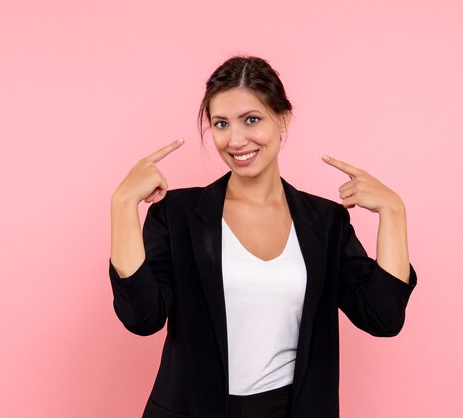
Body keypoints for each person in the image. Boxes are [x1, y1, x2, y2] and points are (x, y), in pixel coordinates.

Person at [108, 55, 417, 418]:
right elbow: (142, 317)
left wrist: (393, 212)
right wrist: (123, 204)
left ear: (282, 119)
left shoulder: (325, 222)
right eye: (221, 124)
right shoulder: (175, 215)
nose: (236, 140)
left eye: (251, 120)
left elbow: (382, 317)